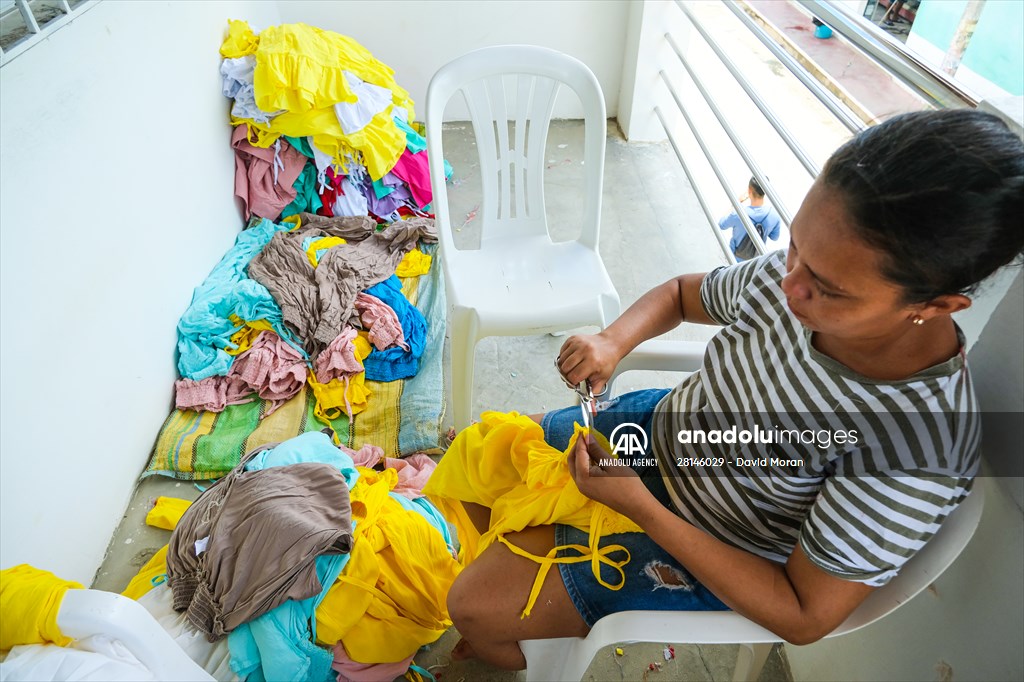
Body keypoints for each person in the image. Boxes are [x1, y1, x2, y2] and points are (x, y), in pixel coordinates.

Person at [442, 109, 1024, 670]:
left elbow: (802, 614)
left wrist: (639, 507)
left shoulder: (918, 446)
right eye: (796, 245)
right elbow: (680, 294)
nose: (789, 287)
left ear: (936, 305)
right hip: (659, 436)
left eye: (828, 289)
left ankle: (505, 655)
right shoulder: (794, 280)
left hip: (718, 547)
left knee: (472, 606)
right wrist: (613, 341)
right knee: (478, 463)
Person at [718, 177, 782, 261]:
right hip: (755, 263)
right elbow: (774, 237)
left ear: (749, 191)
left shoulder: (738, 213)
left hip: (733, 261)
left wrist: (736, 204)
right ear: (765, 192)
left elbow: (721, 225)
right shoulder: (774, 215)